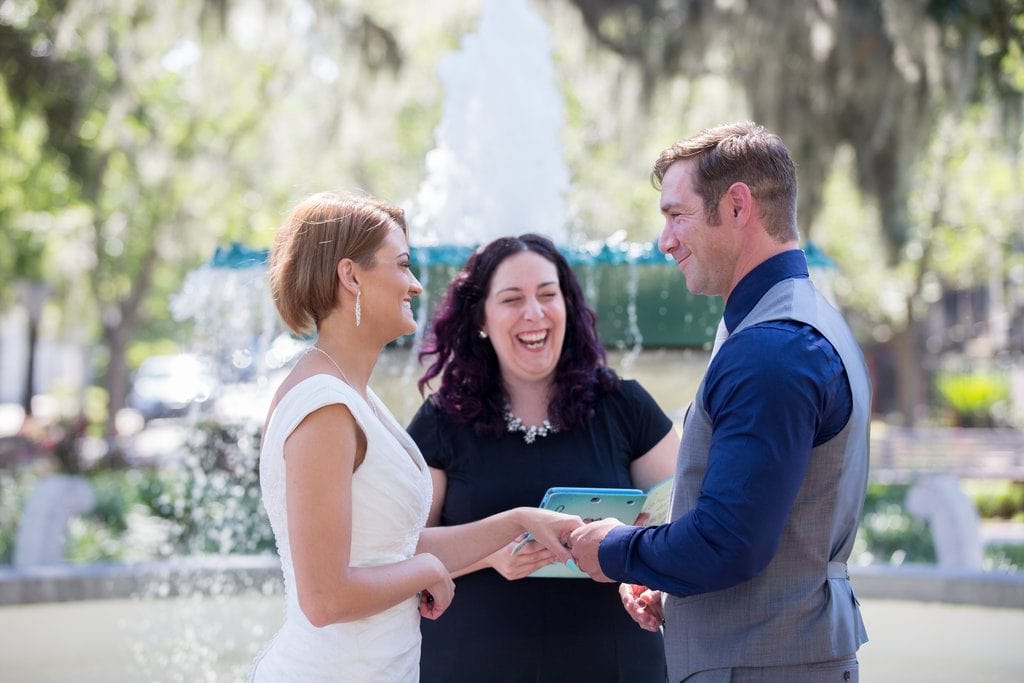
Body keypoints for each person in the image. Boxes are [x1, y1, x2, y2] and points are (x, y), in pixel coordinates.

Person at [569, 122, 872, 682]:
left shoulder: (773, 347)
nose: (665, 240)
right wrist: (678, 593)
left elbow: (729, 543)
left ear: (737, 207)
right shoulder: (797, 324)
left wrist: (615, 549)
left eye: (676, 215)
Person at [249, 193, 582, 682]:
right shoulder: (323, 405)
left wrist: (519, 522)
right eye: (402, 265)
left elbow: (391, 549)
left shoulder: (352, 395)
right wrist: (426, 571)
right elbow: (324, 598)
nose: (416, 285)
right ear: (351, 276)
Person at [407, 233, 679, 682]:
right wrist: (493, 553)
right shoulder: (442, 420)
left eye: (547, 295)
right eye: (512, 299)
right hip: (473, 664)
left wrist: (642, 567)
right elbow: (402, 547)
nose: (533, 313)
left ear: (567, 307)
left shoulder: (624, 405)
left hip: (614, 664)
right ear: (481, 318)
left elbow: (690, 515)